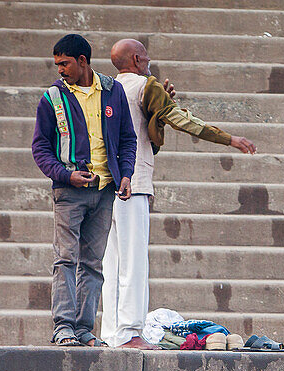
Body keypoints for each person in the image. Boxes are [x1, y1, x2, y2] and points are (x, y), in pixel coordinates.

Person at [102, 39, 256, 350]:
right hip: (135, 182)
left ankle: (111, 333)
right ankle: (131, 333)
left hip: (107, 184)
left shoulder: (109, 89)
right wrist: (230, 139)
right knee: (133, 262)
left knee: (112, 264)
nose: (150, 61)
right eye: (146, 56)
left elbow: (143, 123)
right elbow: (184, 121)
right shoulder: (147, 85)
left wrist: (160, 106)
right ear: (136, 58)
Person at [32, 34, 137, 347]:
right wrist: (65, 175)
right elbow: (40, 147)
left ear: (82, 61)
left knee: (93, 263)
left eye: (65, 63)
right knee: (65, 259)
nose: (60, 69)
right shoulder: (52, 97)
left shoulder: (112, 91)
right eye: (57, 64)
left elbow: (128, 138)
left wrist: (126, 174)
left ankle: (84, 329)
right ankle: (63, 327)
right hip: (69, 193)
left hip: (105, 191)